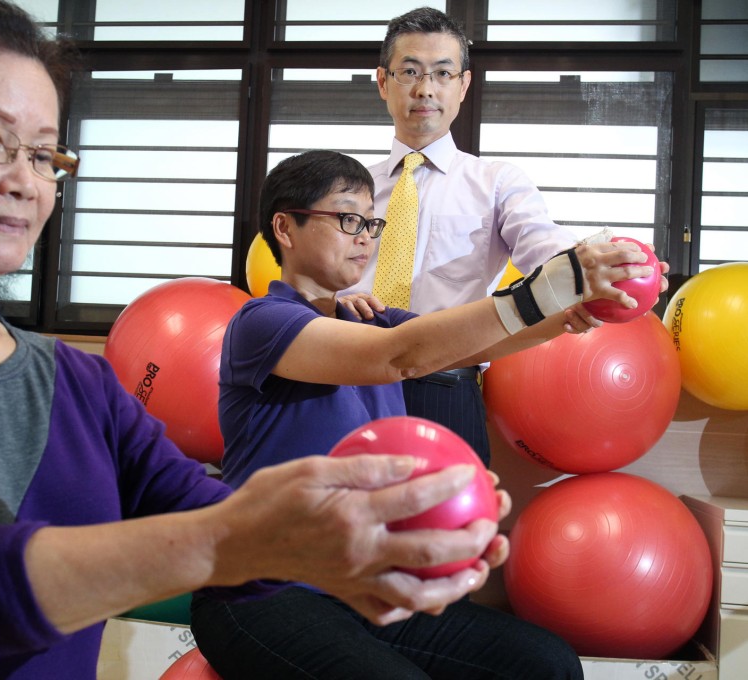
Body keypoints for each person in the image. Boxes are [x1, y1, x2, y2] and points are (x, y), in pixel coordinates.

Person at [0, 3, 515, 679]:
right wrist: (230, 538)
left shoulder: (74, 380)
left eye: (44, 154)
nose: (24, 180)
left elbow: (221, 518)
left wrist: (357, 543)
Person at [191, 149, 661, 678]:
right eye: (348, 219)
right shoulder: (262, 321)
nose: (366, 236)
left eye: (371, 221)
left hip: (366, 589)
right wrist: (545, 290)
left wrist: (581, 305)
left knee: (547, 665)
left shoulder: (374, 321)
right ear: (285, 227)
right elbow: (399, 357)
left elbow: (462, 350)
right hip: (262, 589)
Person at [340, 7, 597, 466]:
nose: (425, 89)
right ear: (382, 81)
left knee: (448, 534)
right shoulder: (348, 185)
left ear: (463, 85)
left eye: (442, 73)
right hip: (343, 379)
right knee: (339, 532)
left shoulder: (497, 181)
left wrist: (588, 266)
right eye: (410, 72)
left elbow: (544, 244)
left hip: (443, 389)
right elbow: (313, 273)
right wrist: (335, 301)